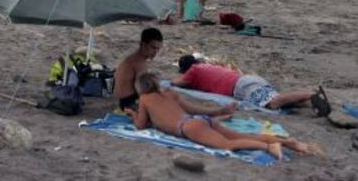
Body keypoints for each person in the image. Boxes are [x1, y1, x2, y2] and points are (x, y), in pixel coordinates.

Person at [125, 73, 322, 160]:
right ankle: (289, 142)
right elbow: (194, 108)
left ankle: (269, 146)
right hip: (200, 121)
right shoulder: (169, 93)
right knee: (237, 137)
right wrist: (217, 112)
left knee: (228, 145)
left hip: (189, 128)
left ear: (141, 88)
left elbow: (141, 126)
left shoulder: (144, 99)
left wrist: (133, 113)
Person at [172, 56, 317, 111]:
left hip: (240, 86)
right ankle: (310, 102)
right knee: (284, 102)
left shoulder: (194, 70)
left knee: (273, 103)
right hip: (249, 80)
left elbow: (176, 83)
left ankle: (310, 94)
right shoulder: (209, 66)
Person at [114, 28, 163, 111]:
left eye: (158, 49)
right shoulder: (138, 63)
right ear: (143, 44)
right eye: (153, 48)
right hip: (129, 103)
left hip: (126, 100)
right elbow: (142, 90)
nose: (155, 52)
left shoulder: (134, 59)